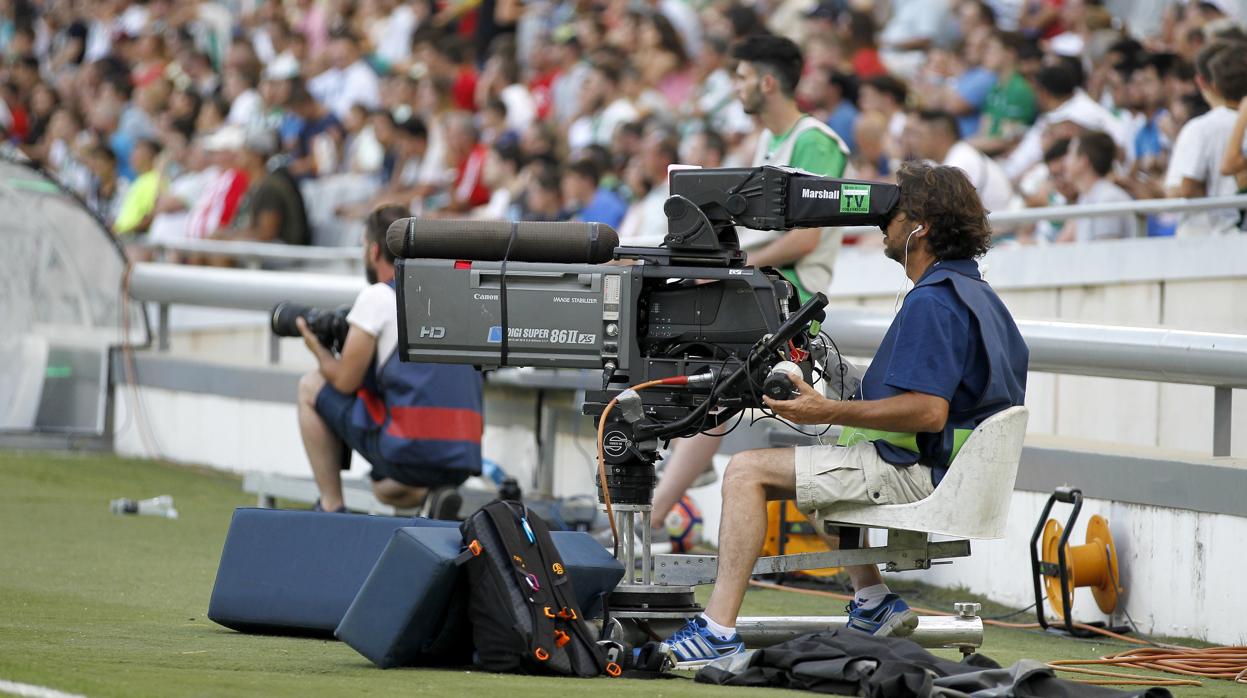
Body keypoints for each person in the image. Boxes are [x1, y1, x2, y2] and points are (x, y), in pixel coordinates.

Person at [658, 163, 1028, 665]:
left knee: (747, 471)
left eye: (893, 215)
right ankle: (873, 601)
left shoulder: (933, 304)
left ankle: (717, 631)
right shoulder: (976, 296)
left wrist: (821, 408)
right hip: (945, 468)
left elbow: (927, 411)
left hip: (923, 473)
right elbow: (932, 397)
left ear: (921, 227)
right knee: (825, 458)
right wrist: (830, 370)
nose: (883, 224)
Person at [647, 35, 852, 538]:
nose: (733, 86)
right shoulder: (770, 142)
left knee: (709, 391)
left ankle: (653, 512)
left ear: (764, 82)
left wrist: (739, 265)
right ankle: (653, 510)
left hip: (793, 297)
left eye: (739, 77)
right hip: (765, 289)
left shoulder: (816, 141)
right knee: (706, 390)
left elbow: (808, 239)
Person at [296, 205, 484, 514]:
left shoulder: (378, 297)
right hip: (463, 456)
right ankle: (431, 499)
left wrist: (316, 346)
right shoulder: (454, 296)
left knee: (310, 385)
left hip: (408, 452)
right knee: (384, 488)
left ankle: (331, 506)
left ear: (372, 251)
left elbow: (345, 381)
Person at [1056, 131, 1139, 242]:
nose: (1064, 161)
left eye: (1070, 153)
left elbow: (1107, 253)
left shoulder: (1109, 199)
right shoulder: (1087, 197)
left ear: (1083, 161)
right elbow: (1062, 243)